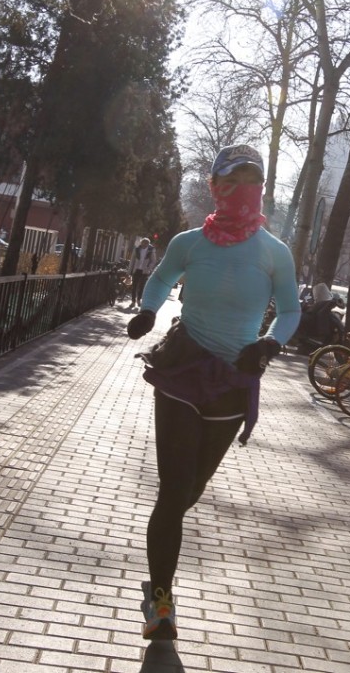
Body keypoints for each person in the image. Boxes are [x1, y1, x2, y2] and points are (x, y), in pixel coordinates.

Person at [125, 143, 301, 641]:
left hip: (233, 379)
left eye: (252, 181)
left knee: (191, 490)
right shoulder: (189, 243)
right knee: (173, 489)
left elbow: (290, 310)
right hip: (183, 370)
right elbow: (162, 276)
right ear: (216, 187)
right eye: (233, 180)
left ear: (261, 189)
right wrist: (148, 309)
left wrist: (269, 344)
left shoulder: (274, 252)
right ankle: (162, 602)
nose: (243, 189)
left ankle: (160, 554)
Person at [129, 237, 157, 307]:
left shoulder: (151, 251)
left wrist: (148, 268)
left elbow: (153, 261)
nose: (144, 245)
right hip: (136, 270)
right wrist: (129, 271)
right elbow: (132, 260)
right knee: (134, 286)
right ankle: (133, 301)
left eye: (146, 244)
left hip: (144, 271)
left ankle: (139, 300)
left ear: (148, 244)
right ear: (141, 243)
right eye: (143, 243)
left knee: (142, 286)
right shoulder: (137, 249)